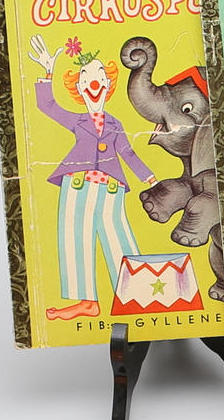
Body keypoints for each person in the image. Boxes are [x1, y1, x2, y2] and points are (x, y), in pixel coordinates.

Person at [27, 36, 156, 321]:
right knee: (75, 236)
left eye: (99, 76)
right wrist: (48, 71)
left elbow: (127, 152)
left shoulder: (115, 124)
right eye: (86, 77)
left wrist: (149, 178)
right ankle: (86, 302)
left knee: (117, 234)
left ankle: (136, 292)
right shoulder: (77, 120)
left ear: (108, 84)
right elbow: (47, 105)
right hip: (77, 184)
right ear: (79, 87)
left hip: (111, 186)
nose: (93, 81)